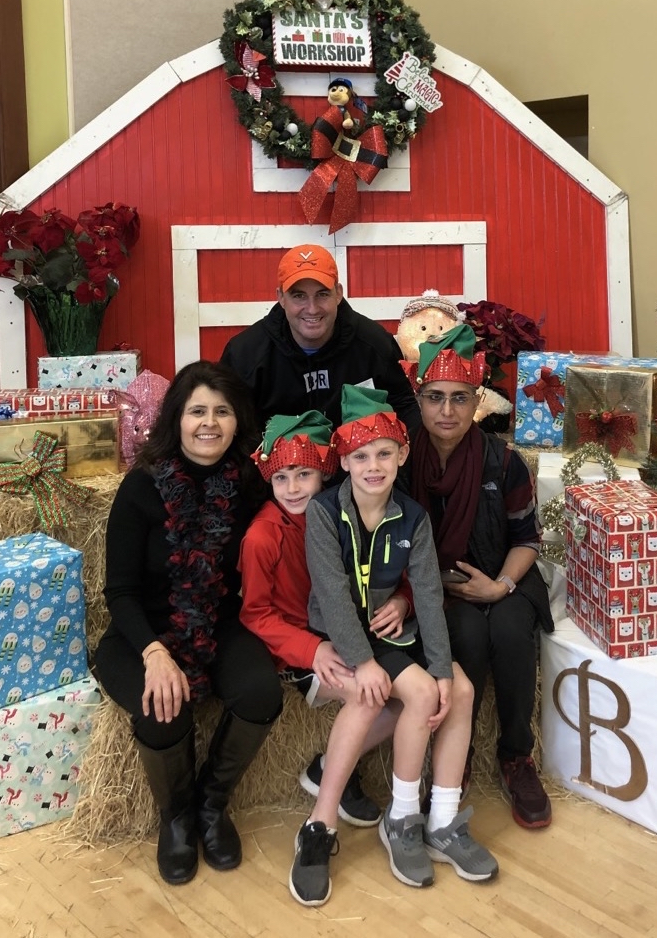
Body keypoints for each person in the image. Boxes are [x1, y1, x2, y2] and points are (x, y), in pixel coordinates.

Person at [304, 385, 497, 900]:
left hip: (395, 631)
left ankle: (445, 820)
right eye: (361, 455)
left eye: (384, 453)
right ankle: (403, 817)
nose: (373, 465)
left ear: (402, 454)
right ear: (343, 460)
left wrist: (441, 668)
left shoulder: (413, 516)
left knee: (458, 690)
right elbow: (333, 597)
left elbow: (429, 598)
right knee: (419, 694)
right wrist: (363, 661)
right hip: (348, 637)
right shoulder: (324, 515)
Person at [94, 361, 282, 886]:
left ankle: (210, 805)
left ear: (236, 420)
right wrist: (154, 653)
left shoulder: (248, 485)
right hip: (141, 632)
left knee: (262, 692)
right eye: (197, 410)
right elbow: (121, 592)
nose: (209, 423)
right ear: (176, 418)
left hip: (216, 623)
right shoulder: (141, 488)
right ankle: (175, 817)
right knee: (162, 711)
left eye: (222, 412)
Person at [238, 410, 405, 906]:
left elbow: (393, 569)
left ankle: (330, 764)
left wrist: (403, 602)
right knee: (376, 695)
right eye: (282, 477)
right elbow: (256, 614)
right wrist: (312, 649)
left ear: (326, 472)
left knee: (417, 697)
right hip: (304, 653)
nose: (293, 487)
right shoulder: (262, 536)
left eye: (304, 474)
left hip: (356, 637)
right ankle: (319, 824)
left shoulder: (345, 513)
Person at [404, 324, 555, 829]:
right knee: (464, 633)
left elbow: (527, 539)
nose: (447, 411)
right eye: (435, 398)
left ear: (478, 403)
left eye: (459, 398)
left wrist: (500, 586)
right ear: (420, 400)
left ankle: (516, 756)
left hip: (501, 577)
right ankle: (457, 756)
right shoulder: (401, 462)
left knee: (511, 629)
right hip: (438, 588)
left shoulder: (503, 462)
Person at [220, 243, 420, 436]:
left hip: (357, 468)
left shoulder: (375, 344)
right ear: (281, 297)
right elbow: (229, 425)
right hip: (275, 469)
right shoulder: (244, 355)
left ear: (338, 293)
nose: (312, 308)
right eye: (299, 296)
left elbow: (404, 409)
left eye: (322, 294)